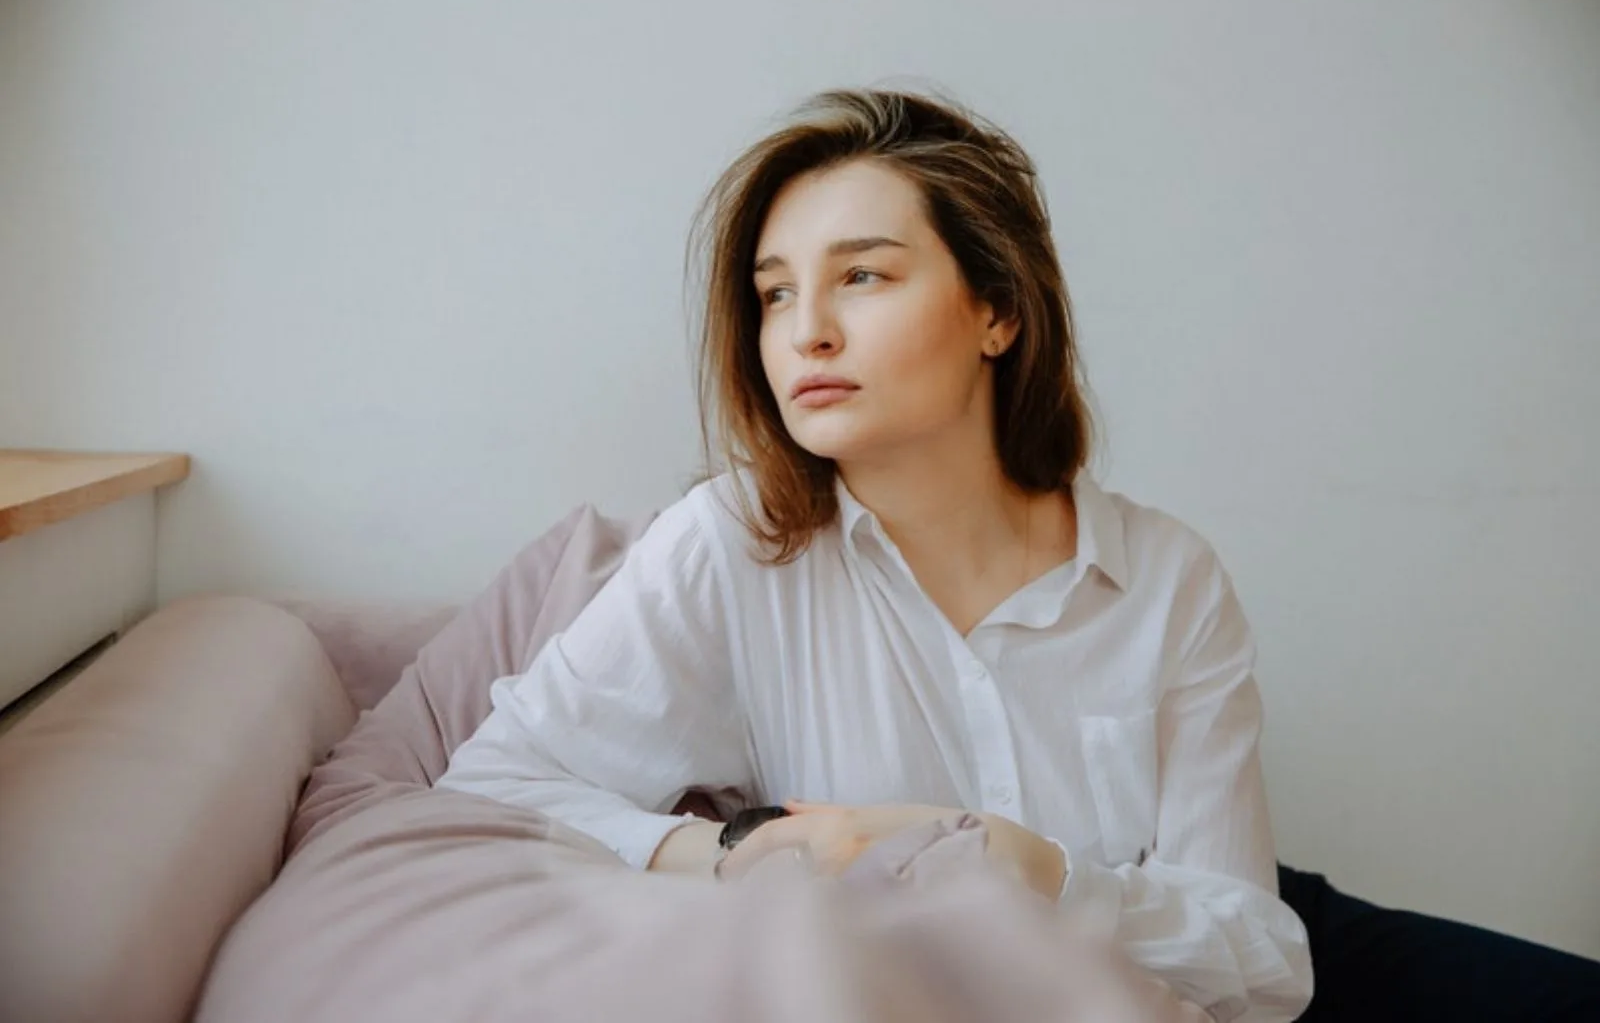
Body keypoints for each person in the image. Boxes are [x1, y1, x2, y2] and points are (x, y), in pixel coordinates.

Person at [437, 88, 1313, 1021]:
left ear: (999, 312)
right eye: (775, 293)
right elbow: (496, 788)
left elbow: (1263, 965)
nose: (807, 328)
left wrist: (1029, 869)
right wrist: (740, 857)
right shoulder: (730, 543)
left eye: (863, 276)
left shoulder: (1169, 580)